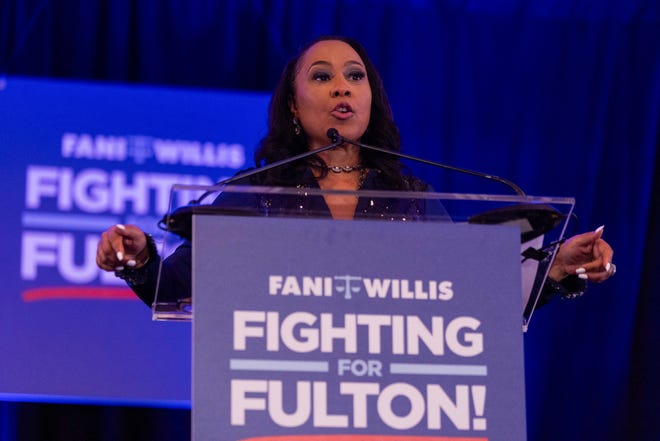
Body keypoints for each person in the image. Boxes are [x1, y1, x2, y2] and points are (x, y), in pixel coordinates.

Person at [95, 36, 615, 307]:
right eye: (322, 77)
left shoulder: (410, 196)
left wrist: (557, 266)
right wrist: (138, 258)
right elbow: (178, 286)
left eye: (355, 76)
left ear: (371, 98)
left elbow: (472, 291)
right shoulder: (256, 194)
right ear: (294, 108)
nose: (342, 87)